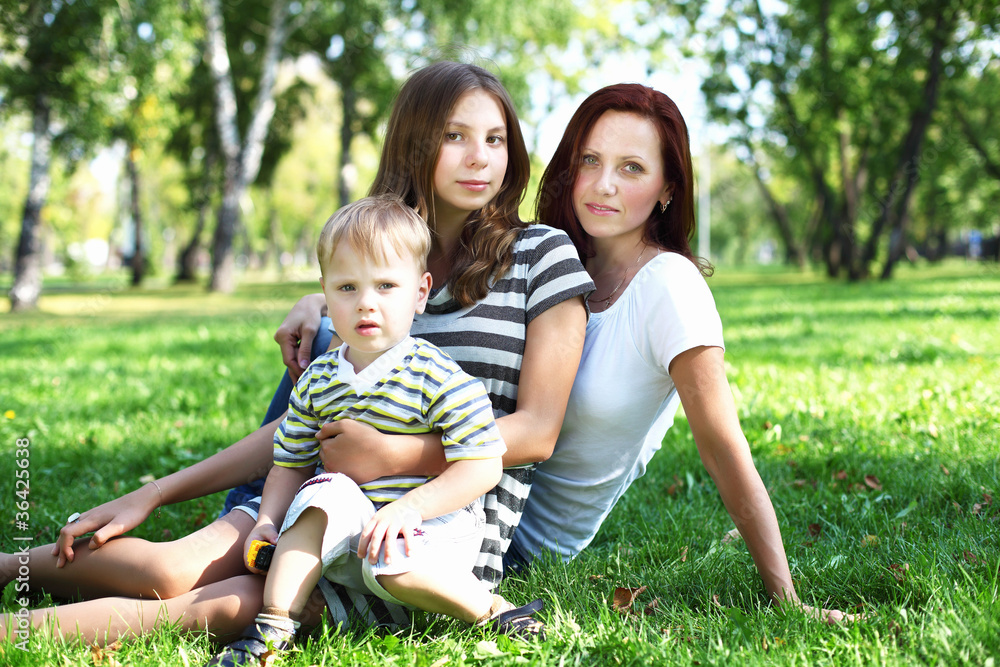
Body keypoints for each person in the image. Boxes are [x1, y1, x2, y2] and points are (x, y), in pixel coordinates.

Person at [0, 61, 592, 645]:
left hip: (431, 525)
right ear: (414, 143)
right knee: (169, 570)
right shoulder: (371, 261)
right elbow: (308, 423)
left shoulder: (542, 255)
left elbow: (539, 432)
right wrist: (155, 493)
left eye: (495, 139)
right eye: (455, 136)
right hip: (319, 491)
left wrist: (392, 455)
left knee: (229, 605)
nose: (480, 158)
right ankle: (10, 568)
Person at [284, 83, 855, 622]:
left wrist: (786, 598)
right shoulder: (551, 262)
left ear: (668, 188)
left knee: (267, 571)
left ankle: (265, 542)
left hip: (505, 540)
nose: (603, 184)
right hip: (424, 496)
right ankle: (259, 518)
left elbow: (725, 451)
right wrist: (319, 301)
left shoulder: (671, 290)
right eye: (590, 161)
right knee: (330, 356)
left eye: (631, 168)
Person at [207, 194, 544, 667]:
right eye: (347, 288)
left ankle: (493, 611)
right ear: (325, 292)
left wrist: (411, 508)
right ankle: (272, 629)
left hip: (434, 526)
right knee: (322, 492)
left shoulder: (437, 375)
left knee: (388, 561)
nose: (366, 303)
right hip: (354, 522)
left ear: (420, 292)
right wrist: (267, 520)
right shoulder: (319, 381)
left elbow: (484, 464)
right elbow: (290, 463)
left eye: (386, 286)